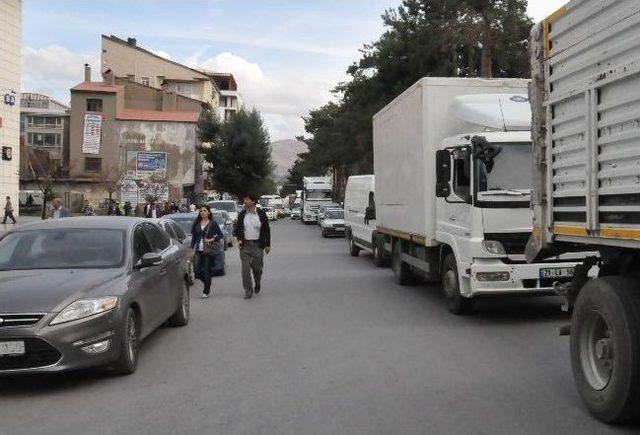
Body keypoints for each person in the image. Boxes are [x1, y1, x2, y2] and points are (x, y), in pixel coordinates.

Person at [233, 194, 271, 299]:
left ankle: (257, 281)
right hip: (245, 246)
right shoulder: (242, 214)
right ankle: (248, 290)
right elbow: (237, 229)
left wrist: (267, 244)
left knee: (257, 269)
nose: (245, 201)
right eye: (244, 199)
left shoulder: (261, 214)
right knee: (245, 270)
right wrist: (239, 239)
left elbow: (267, 230)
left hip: (258, 245)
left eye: (247, 199)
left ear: (253, 201)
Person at [191, 205, 225, 298]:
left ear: (209, 212)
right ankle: (207, 282)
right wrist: (191, 250)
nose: (202, 212)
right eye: (201, 211)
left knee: (207, 270)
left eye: (204, 210)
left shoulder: (213, 223)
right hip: (198, 249)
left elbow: (220, 235)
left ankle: (205, 291)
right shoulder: (196, 224)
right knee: (196, 271)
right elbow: (194, 238)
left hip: (208, 250)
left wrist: (211, 240)